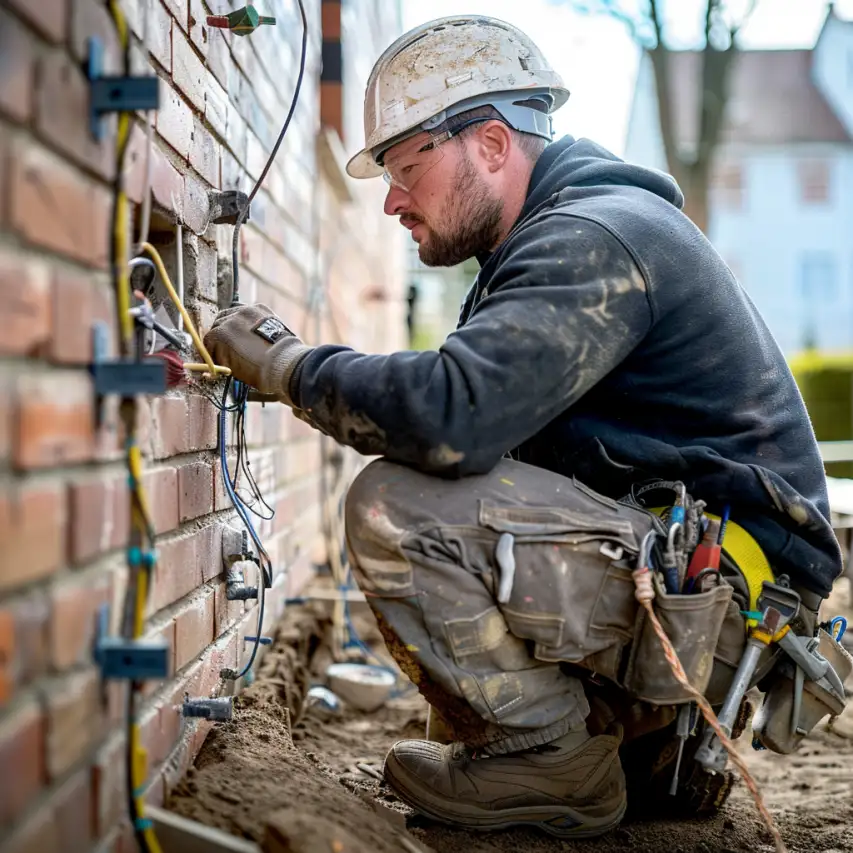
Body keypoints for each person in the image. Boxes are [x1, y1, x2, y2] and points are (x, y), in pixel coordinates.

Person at [204, 15, 844, 839]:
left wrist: (290, 366)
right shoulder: (561, 237)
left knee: (397, 505)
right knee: (454, 698)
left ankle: (546, 755)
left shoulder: (592, 237)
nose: (393, 200)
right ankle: (631, 754)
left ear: (494, 144)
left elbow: (450, 415)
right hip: (708, 594)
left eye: (406, 168)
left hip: (716, 605)